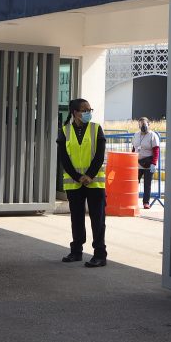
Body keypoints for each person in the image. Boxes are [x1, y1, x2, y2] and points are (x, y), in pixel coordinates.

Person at [57, 98, 107, 267]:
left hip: (94, 182)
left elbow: (100, 156)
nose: (88, 113)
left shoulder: (96, 129)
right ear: (75, 113)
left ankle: (100, 254)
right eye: (85, 110)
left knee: (97, 219)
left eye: (89, 109)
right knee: (77, 218)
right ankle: (76, 251)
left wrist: (90, 175)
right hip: (74, 183)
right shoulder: (65, 131)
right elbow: (63, 158)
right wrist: (78, 177)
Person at [131, 117, 161, 209]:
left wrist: (154, 163)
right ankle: (132, 200)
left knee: (147, 185)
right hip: (137, 164)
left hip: (148, 164)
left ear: (148, 124)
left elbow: (156, 150)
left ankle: (146, 202)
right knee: (134, 183)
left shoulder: (153, 135)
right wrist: (131, 159)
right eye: (141, 124)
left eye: (144, 124)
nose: (143, 126)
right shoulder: (136, 135)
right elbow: (134, 148)